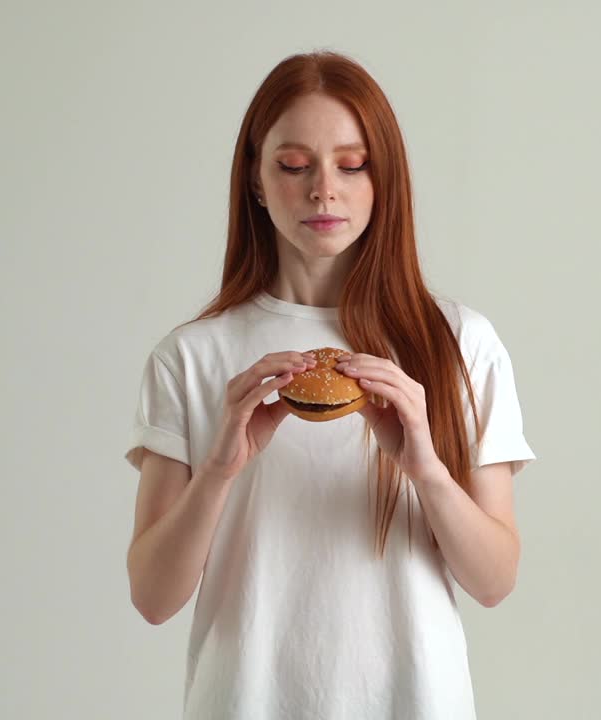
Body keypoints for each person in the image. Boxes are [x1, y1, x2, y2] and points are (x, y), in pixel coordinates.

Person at [125, 50, 536, 719]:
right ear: (256, 180)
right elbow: (152, 597)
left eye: (351, 165)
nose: (324, 189)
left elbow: (495, 581)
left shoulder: (460, 344)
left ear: (385, 180)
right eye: (293, 165)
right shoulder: (193, 357)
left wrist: (426, 468)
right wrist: (221, 470)